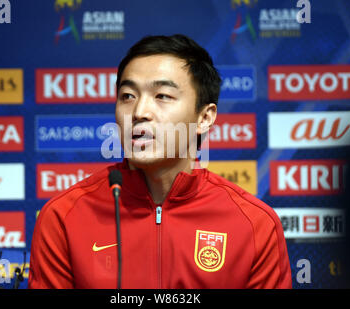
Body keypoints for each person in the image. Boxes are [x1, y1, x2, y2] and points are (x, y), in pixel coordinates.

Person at [28, 34, 292, 289]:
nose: (140, 112)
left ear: (205, 118)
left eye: (162, 96)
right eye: (127, 96)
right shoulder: (63, 217)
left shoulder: (255, 224)